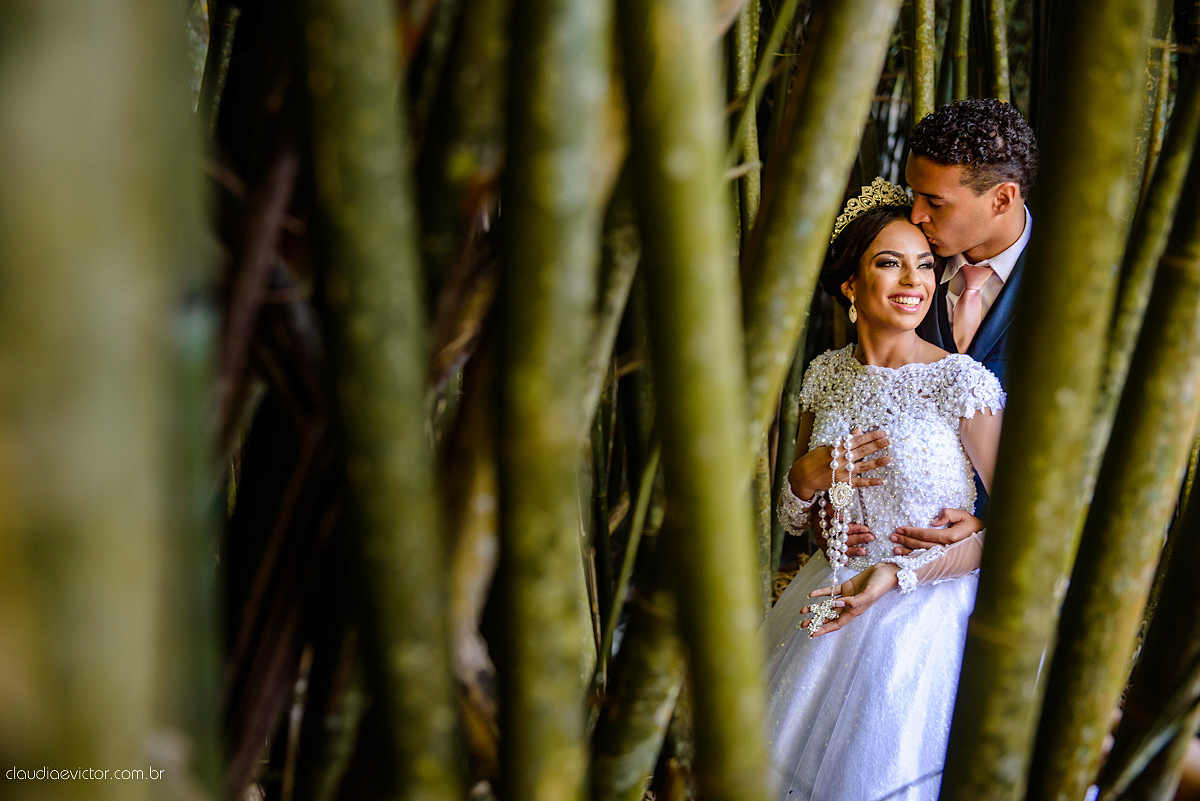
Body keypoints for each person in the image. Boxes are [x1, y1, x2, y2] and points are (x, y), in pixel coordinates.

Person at [763, 179, 1004, 801]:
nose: (913, 282)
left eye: (925, 265)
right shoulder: (825, 374)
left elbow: (1024, 536)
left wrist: (912, 566)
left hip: (930, 612)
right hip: (829, 593)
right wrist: (807, 480)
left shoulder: (960, 383)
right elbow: (798, 520)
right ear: (850, 284)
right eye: (889, 262)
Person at [840, 98, 1038, 561]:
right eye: (914, 194)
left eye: (935, 202)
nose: (915, 215)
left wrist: (994, 528)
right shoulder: (901, 271)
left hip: (1020, 571)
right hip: (893, 559)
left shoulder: (1078, 290)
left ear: (1002, 198)